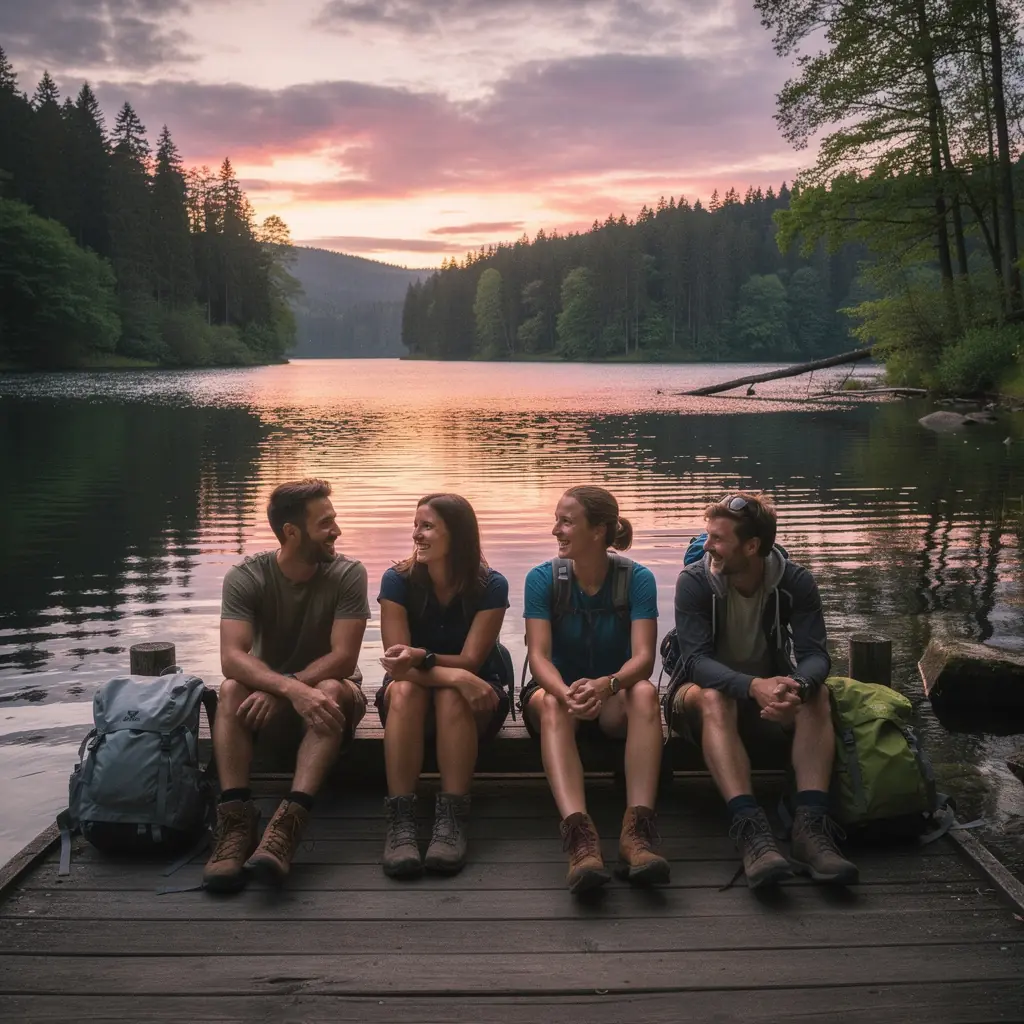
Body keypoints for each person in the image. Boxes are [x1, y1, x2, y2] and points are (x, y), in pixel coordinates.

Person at [667, 492, 858, 889]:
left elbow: (815, 656)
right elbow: (695, 662)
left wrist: (797, 686)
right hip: (697, 700)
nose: (707, 546)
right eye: (708, 535)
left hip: (767, 696)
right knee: (715, 696)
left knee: (818, 696)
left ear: (752, 546)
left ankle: (811, 828)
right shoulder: (695, 582)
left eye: (717, 539)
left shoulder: (794, 581)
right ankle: (751, 827)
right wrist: (753, 686)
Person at [203, 478, 369, 892]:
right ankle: (237, 821)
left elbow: (343, 658)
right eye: (326, 523)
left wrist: (291, 686)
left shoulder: (348, 574)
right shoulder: (247, 576)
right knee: (229, 689)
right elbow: (232, 658)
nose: (337, 530)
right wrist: (288, 690)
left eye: (334, 520)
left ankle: (289, 823)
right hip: (270, 702)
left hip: (331, 701)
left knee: (330, 687)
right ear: (292, 532)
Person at [522, 485, 668, 895]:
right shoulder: (542, 578)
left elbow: (643, 660)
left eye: (567, 521)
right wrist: (567, 692)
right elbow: (538, 657)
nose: (556, 530)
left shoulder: (637, 578)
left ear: (599, 531)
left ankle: (636, 833)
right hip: (555, 694)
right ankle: (580, 841)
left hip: (612, 695)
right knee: (551, 703)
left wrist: (608, 685)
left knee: (644, 694)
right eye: (557, 520)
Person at [376, 493, 510, 878]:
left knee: (453, 697)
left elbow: (472, 662)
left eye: (427, 526)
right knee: (404, 689)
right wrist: (451, 674)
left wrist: (435, 665)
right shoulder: (397, 581)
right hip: (413, 697)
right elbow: (395, 662)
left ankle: (451, 819)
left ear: (458, 535)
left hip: (478, 698)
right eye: (416, 525)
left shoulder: (491, 586)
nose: (416, 534)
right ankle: (400, 821)